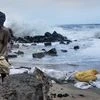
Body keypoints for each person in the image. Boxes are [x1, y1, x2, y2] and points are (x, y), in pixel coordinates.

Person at [0, 11, 10, 82]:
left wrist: (2, 55)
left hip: (2, 52)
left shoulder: (5, 31)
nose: (2, 20)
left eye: (3, 19)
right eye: (1, 18)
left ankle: (4, 87)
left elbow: (5, 44)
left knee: (4, 71)